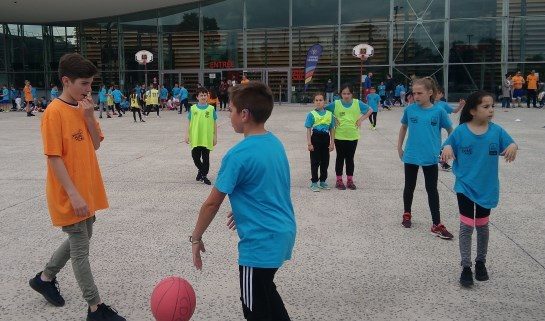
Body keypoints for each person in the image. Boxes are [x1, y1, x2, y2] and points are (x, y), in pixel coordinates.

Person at [28, 53, 126, 321]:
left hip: (88, 190)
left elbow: (95, 143)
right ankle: (95, 307)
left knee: (80, 241)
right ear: (66, 81)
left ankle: (45, 278)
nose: (88, 89)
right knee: (81, 249)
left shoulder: (83, 108)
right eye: (83, 83)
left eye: (91, 84)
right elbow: (53, 157)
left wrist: (88, 116)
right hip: (69, 194)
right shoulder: (53, 113)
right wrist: (73, 194)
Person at [190, 81, 295, 321]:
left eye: (232, 111)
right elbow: (269, 186)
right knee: (266, 291)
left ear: (245, 115)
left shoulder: (237, 156)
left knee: (254, 309)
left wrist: (196, 238)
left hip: (259, 245)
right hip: (282, 234)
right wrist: (245, 211)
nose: (229, 115)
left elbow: (211, 204)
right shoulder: (274, 143)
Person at [441, 91, 517, 287]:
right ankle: (466, 266)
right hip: (465, 186)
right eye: (486, 106)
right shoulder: (461, 131)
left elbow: (511, 143)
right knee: (467, 227)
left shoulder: (496, 131)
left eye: (492, 106)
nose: (491, 110)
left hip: (487, 187)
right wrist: (447, 149)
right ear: (473, 111)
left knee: (482, 226)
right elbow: (447, 146)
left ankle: (480, 262)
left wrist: (513, 147)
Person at [397, 77, 454, 239]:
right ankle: (407, 213)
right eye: (414, 93)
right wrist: (399, 147)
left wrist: (447, 147)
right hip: (411, 155)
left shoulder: (439, 111)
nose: (416, 96)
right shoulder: (409, 110)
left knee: (432, 189)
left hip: (430, 156)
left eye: (419, 93)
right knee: (409, 186)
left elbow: (451, 131)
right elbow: (403, 128)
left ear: (430, 93)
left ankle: (436, 223)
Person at [325, 84, 372, 190]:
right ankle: (339, 180)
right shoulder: (336, 103)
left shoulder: (357, 103)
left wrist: (361, 119)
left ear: (352, 94)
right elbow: (324, 110)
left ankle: (350, 180)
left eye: (348, 93)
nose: (346, 96)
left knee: (350, 158)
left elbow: (370, 110)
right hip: (339, 136)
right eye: (344, 93)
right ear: (340, 94)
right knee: (340, 158)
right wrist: (333, 117)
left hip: (353, 136)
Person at [185, 87, 217, 185]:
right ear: (197, 97)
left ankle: (204, 176)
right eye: (201, 95)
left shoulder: (211, 109)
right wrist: (187, 134)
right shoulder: (193, 108)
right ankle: (201, 170)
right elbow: (189, 122)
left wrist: (215, 136)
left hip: (206, 137)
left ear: (208, 96)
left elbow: (214, 123)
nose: (203, 97)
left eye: (205, 95)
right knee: (195, 157)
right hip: (195, 137)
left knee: (206, 157)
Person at [305, 92, 335, 192]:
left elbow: (332, 129)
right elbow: (309, 129)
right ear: (314, 102)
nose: (318, 102)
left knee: (325, 161)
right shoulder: (311, 114)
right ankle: (314, 182)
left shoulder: (330, 114)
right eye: (316, 100)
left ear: (324, 101)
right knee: (315, 161)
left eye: (320, 100)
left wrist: (332, 143)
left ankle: (322, 181)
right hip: (316, 138)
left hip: (326, 139)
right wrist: (309, 143)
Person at [434, 88, 465, 172]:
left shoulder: (443, 104)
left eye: (438, 93)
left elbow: (454, 111)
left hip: (443, 124)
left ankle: (443, 161)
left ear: (442, 95)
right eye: (435, 92)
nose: (436, 94)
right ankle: (440, 161)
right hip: (432, 126)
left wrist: (460, 106)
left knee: (443, 143)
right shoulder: (429, 103)